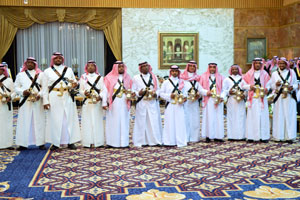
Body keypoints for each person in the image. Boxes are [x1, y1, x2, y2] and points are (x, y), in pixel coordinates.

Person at [42, 52, 81, 150]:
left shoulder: (69, 70)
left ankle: (70, 142)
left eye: (60, 58)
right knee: (55, 120)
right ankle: (55, 143)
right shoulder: (47, 71)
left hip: (67, 96)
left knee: (69, 119)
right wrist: (45, 101)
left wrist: (75, 84)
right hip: (54, 97)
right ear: (53, 59)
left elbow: (74, 82)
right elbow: (44, 88)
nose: (58, 59)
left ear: (62, 59)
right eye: (56, 58)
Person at [15, 57, 46, 150]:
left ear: (35, 64)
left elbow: (44, 88)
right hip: (25, 101)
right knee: (24, 121)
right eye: (28, 63)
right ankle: (22, 144)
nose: (29, 64)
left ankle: (41, 143)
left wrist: (39, 95)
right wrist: (22, 92)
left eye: (31, 63)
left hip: (37, 100)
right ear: (25, 64)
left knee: (39, 121)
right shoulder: (20, 75)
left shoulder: (40, 74)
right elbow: (16, 87)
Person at [132, 61, 162, 147]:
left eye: (147, 66)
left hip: (152, 103)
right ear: (140, 68)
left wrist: (155, 94)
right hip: (142, 103)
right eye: (143, 66)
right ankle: (141, 141)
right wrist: (139, 93)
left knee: (153, 121)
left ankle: (155, 141)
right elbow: (133, 90)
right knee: (141, 122)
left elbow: (159, 89)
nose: (145, 68)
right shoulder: (136, 78)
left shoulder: (154, 77)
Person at [104, 61, 133, 148]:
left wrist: (132, 94)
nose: (121, 68)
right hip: (114, 103)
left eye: (122, 67)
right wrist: (104, 103)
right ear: (115, 67)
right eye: (119, 67)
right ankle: (112, 143)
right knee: (113, 122)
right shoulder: (108, 77)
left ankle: (124, 143)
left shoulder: (127, 77)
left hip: (124, 103)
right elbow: (105, 91)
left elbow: (131, 89)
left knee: (124, 122)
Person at [79, 60, 107, 148]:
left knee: (97, 121)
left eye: (92, 66)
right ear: (86, 68)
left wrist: (100, 97)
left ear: (95, 67)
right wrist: (84, 93)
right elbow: (80, 90)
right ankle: (87, 142)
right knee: (87, 122)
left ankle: (99, 142)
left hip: (97, 102)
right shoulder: (83, 77)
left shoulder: (100, 78)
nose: (90, 67)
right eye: (89, 66)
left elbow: (103, 90)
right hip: (87, 102)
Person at [242, 58, 270, 143]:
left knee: (263, 117)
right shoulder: (248, 74)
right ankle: (251, 136)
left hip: (261, 98)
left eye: (259, 63)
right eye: (256, 63)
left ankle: (263, 136)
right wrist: (250, 87)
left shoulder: (265, 73)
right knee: (252, 117)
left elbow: (269, 84)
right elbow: (243, 85)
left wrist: (267, 89)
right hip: (253, 98)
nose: (257, 65)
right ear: (253, 64)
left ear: (261, 65)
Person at [270, 58, 297, 143]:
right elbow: (271, 86)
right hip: (279, 97)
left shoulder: (292, 72)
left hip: (289, 97)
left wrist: (292, 87)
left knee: (289, 116)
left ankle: (289, 136)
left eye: (283, 64)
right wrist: (275, 84)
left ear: (286, 64)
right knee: (279, 116)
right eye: (280, 64)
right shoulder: (274, 74)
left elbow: (296, 83)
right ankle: (278, 136)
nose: (281, 65)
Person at [160, 65, 187, 147]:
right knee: (169, 123)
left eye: (176, 71)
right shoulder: (166, 82)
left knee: (180, 123)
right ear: (170, 72)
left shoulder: (182, 82)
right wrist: (169, 96)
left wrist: (184, 98)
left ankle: (180, 141)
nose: (174, 72)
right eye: (173, 71)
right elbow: (161, 93)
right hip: (170, 105)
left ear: (178, 72)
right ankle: (169, 141)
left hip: (179, 105)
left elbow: (185, 93)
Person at [180, 61, 205, 143]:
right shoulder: (182, 78)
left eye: (193, 66)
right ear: (187, 67)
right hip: (186, 102)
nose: (192, 68)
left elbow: (201, 89)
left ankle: (194, 137)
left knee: (195, 119)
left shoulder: (198, 78)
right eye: (190, 66)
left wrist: (199, 95)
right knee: (185, 119)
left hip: (194, 102)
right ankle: (186, 137)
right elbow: (180, 89)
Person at [200, 63, 224, 142]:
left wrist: (222, 97)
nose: (212, 69)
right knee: (208, 118)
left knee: (218, 118)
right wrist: (206, 92)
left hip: (218, 100)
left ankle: (218, 136)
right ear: (208, 68)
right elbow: (199, 88)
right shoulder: (203, 77)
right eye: (211, 67)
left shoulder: (221, 77)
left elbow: (224, 89)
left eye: (214, 67)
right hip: (208, 99)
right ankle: (208, 136)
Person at [223, 64, 246, 141]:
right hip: (231, 100)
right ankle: (231, 136)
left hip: (240, 101)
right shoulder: (227, 79)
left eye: (236, 69)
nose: (234, 70)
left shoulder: (243, 78)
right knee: (231, 117)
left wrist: (244, 95)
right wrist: (229, 92)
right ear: (231, 70)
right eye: (233, 69)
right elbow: (224, 90)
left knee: (241, 117)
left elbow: (246, 89)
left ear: (238, 70)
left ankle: (241, 136)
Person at [0, 64, 14, 149]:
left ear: (3, 70)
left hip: (6, 105)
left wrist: (10, 97)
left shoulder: (9, 80)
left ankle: (8, 144)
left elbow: (14, 91)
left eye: (1, 69)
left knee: (7, 124)